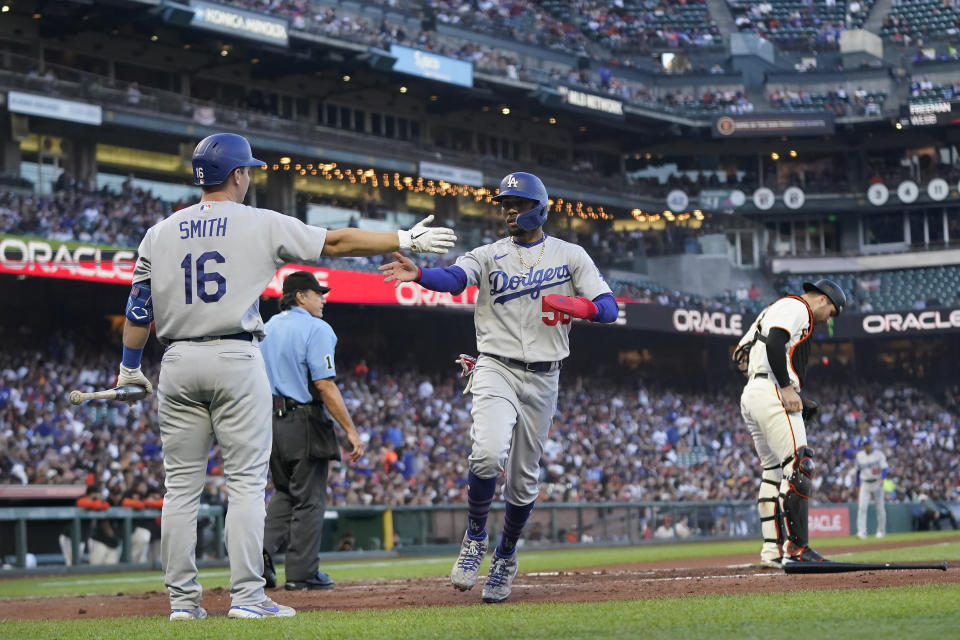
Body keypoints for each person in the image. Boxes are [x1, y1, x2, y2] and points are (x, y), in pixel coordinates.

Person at [114, 132, 456, 621]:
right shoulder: (258, 222)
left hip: (176, 361)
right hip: (234, 354)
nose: (250, 176)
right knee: (247, 486)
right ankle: (248, 598)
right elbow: (334, 241)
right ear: (237, 175)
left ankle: (183, 604)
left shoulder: (159, 232)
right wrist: (404, 239)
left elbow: (138, 313)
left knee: (181, 490)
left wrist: (129, 370)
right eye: (247, 170)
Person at [379, 171, 619, 603]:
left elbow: (609, 307)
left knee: (524, 482)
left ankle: (506, 555)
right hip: (494, 366)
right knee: (487, 452)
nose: (509, 211)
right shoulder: (488, 254)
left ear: (539, 208)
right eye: (505, 205)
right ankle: (475, 539)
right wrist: (420, 274)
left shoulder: (570, 255)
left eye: (518, 204)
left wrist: (579, 305)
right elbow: (455, 280)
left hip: (546, 375)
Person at [261, 270, 365, 591]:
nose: (323, 299)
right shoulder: (316, 328)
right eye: (317, 293)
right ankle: (302, 573)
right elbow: (324, 384)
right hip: (303, 419)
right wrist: (350, 429)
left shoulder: (266, 328)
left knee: (285, 493)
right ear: (301, 297)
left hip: (269, 422)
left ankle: (257, 558)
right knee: (309, 499)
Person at [735, 278, 846, 567]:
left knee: (773, 473)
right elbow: (775, 341)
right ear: (822, 299)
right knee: (799, 465)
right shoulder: (797, 306)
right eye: (832, 312)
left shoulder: (770, 310)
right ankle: (797, 549)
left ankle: (772, 552)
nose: (828, 319)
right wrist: (785, 387)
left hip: (752, 393)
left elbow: (740, 357)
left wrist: (763, 381)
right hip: (772, 389)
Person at [855, 437, 888, 539]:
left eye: (868, 444)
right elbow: (858, 472)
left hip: (877, 482)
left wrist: (882, 478)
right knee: (862, 508)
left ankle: (881, 531)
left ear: (872, 444)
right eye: (865, 445)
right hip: (865, 483)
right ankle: (862, 532)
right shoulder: (859, 456)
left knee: (880, 508)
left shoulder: (879, 454)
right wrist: (857, 485)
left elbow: (885, 469)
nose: (867, 446)